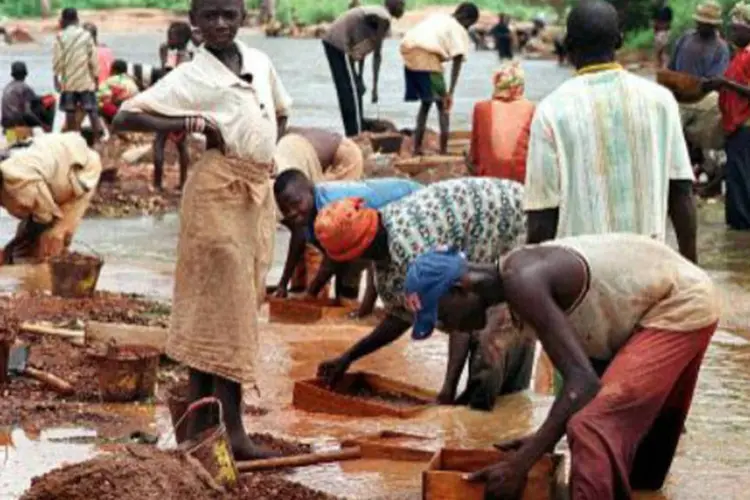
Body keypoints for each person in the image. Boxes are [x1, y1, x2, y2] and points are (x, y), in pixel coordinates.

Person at [403, 233, 719, 499]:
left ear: (461, 289)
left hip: (678, 304)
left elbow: (583, 384)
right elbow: (577, 377)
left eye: (443, 316)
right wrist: (543, 440)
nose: (451, 327)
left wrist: (521, 465)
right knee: (643, 474)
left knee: (590, 425)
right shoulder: (514, 284)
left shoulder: (522, 281)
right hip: (651, 309)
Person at [113, 0, 289, 461]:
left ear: (244, 17)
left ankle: (200, 424)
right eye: (210, 16)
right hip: (215, 193)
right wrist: (192, 123)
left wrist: (264, 152)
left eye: (229, 14)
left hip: (254, 195)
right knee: (221, 306)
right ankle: (233, 432)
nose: (220, 24)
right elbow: (124, 116)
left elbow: (281, 114)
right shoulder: (193, 76)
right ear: (195, 24)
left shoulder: (259, 62)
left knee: (235, 304)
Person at [313, 178, 533, 411]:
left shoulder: (415, 251)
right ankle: (506, 408)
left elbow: (459, 317)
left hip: (517, 221)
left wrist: (447, 390)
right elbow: (401, 316)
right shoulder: (386, 249)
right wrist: (348, 357)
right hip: (484, 237)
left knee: (491, 342)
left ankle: (495, 422)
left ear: (356, 254)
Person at [525, 0, 697, 264]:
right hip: (649, 269)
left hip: (582, 275)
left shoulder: (551, 111)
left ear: (569, 46)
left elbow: (542, 217)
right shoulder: (661, 101)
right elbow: (681, 193)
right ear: (619, 41)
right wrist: (691, 269)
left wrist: (532, 276)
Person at [274, 172, 422, 317]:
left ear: (311, 190)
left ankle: (372, 312)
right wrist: (283, 284)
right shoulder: (308, 211)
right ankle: (357, 309)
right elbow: (299, 237)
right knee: (348, 263)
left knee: (355, 261)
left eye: (295, 204)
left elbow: (333, 260)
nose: (292, 213)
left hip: (412, 204)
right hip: (382, 217)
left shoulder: (333, 211)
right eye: (285, 210)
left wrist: (311, 292)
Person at [273, 126, 366, 300]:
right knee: (306, 222)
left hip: (346, 156)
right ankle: (301, 286)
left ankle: (323, 293)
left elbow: (300, 234)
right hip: (313, 165)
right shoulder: (284, 184)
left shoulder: (287, 179)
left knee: (330, 228)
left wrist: (283, 281)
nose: (290, 212)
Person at [0, 132, 102, 264]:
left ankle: (52, 279)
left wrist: (9, 249)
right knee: (26, 240)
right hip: (56, 165)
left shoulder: (19, 181)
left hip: (82, 170)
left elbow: (46, 218)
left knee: (53, 238)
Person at [400, 3, 479, 155]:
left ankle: (417, 148)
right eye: (470, 24)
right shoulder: (458, 28)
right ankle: (443, 151)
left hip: (408, 52)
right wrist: (451, 91)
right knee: (443, 106)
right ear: (465, 18)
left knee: (426, 103)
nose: (468, 28)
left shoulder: (439, 17)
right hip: (426, 56)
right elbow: (457, 60)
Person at [323, 0, 405, 137]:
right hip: (339, 42)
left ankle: (353, 130)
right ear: (393, 4)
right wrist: (374, 88)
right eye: (402, 4)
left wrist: (359, 77)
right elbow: (377, 55)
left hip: (334, 42)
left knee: (351, 89)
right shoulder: (383, 17)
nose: (403, 7)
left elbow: (361, 49)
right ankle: (356, 134)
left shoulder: (379, 15)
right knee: (351, 91)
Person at [705, 2, 750, 229]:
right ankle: (736, 227)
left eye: (736, 29)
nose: (732, 33)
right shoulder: (740, 55)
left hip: (744, 125)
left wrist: (725, 83)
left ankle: (742, 229)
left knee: (740, 179)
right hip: (734, 124)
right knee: (735, 178)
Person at [669, 1, 730, 167]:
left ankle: (707, 163)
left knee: (715, 107)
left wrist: (694, 85)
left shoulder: (720, 48)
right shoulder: (685, 38)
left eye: (706, 24)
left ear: (713, 26)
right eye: (700, 22)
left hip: (702, 98)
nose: (701, 26)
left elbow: (715, 80)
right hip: (679, 96)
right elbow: (671, 67)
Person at [469, 62, 535, 183]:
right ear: (520, 86)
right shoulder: (532, 108)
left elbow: (474, 154)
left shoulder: (481, 108)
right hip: (521, 181)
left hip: (488, 181)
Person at [152, 21, 196, 191]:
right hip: (183, 105)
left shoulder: (168, 54)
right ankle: (183, 182)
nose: (167, 37)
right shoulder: (190, 57)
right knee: (181, 143)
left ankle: (158, 183)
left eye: (171, 34)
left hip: (167, 103)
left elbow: (167, 72)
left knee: (160, 142)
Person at [53, 8, 100, 141]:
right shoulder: (86, 36)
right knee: (91, 110)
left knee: (70, 110)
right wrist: (96, 78)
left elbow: (57, 60)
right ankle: (97, 140)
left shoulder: (60, 37)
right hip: (85, 80)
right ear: (76, 19)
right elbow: (93, 59)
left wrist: (56, 78)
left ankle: (73, 140)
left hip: (69, 81)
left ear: (64, 20)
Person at [2, 62, 48, 145]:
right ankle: (26, 135)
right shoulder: (26, 88)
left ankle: (12, 136)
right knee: (39, 132)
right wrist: (41, 125)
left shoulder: (7, 87)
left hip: (6, 128)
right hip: (17, 128)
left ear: (12, 74)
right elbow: (27, 113)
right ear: (26, 74)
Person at [652, 0, 673, 68]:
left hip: (664, 32)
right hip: (661, 32)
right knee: (660, 52)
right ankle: (661, 67)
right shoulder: (657, 10)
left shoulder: (666, 10)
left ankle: (663, 67)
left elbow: (668, 21)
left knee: (662, 51)